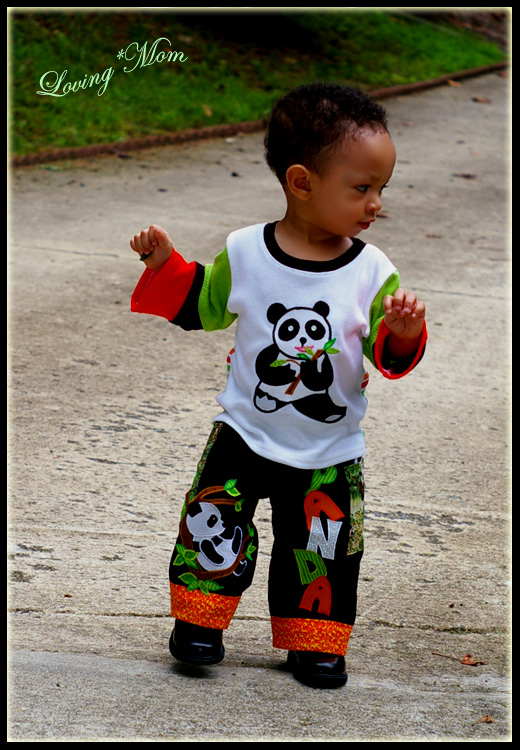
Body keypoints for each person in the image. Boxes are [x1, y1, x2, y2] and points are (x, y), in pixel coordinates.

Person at [129, 82, 427, 689]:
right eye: (362, 188)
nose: (375, 203)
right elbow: (204, 303)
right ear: (301, 182)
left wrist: (400, 332)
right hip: (244, 430)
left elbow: (385, 352)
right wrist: (166, 267)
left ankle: (313, 639)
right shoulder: (246, 252)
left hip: (329, 448)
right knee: (213, 519)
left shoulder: (372, 271)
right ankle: (199, 622)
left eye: (382, 189)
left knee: (323, 544)